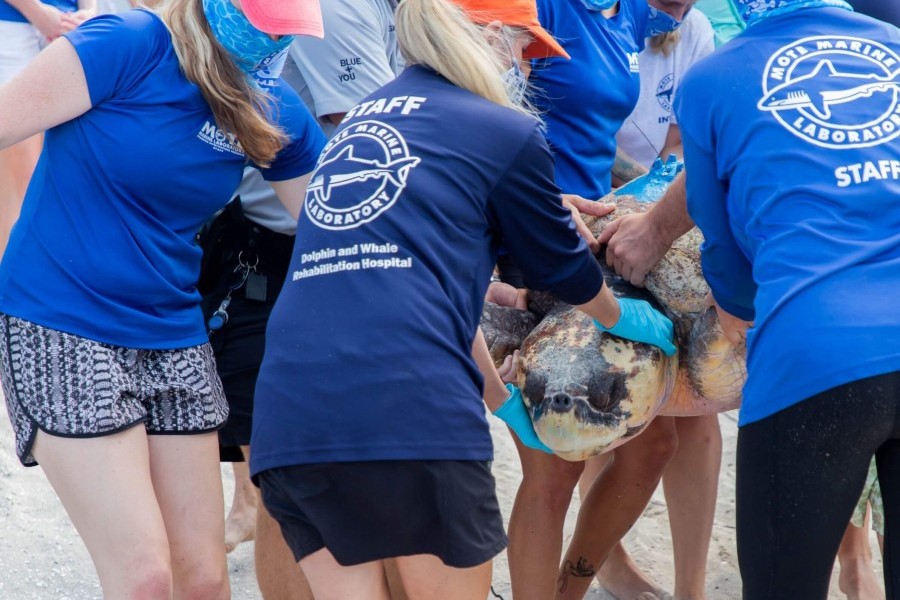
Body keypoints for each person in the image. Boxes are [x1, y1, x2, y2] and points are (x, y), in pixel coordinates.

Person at [248, 0, 677, 597]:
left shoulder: (363, 123)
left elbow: (421, 295)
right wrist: (624, 316)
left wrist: (501, 401)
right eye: (526, 53)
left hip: (290, 412)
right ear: (491, 38)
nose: (528, 71)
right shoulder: (503, 130)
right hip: (410, 408)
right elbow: (562, 271)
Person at [0, 0, 327, 596]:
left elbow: (337, 230)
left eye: (289, 31)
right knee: (145, 577)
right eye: (267, 24)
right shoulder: (130, 42)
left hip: (173, 329)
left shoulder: (270, 103)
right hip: (60, 317)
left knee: (202, 579)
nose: (275, 41)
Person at [674, 0, 900, 597]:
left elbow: (717, 233)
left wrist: (739, 310)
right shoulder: (892, 41)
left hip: (817, 341)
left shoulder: (712, 78)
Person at [198, 1, 405, 597]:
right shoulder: (337, 7)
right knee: (293, 486)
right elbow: (378, 138)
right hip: (286, 256)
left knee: (323, 478)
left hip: (323, 243)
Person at [502, 2, 694, 598]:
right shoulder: (542, 8)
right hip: (526, 238)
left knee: (652, 444)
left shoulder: (631, 13)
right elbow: (495, 125)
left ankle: (572, 585)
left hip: (590, 243)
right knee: (552, 464)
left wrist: (642, 192)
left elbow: (588, 130)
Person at [576, 10, 720, 600]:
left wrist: (655, 212)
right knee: (608, 394)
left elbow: (683, 141)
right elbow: (577, 126)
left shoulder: (696, 29)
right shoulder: (594, 18)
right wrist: (632, 206)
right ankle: (609, 560)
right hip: (590, 204)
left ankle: (692, 586)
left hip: (659, 204)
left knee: (697, 407)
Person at [0, 0, 96, 257]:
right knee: (25, 181)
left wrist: (88, 13)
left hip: (71, 29)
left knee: (62, 170)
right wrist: (39, 13)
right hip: (12, 23)